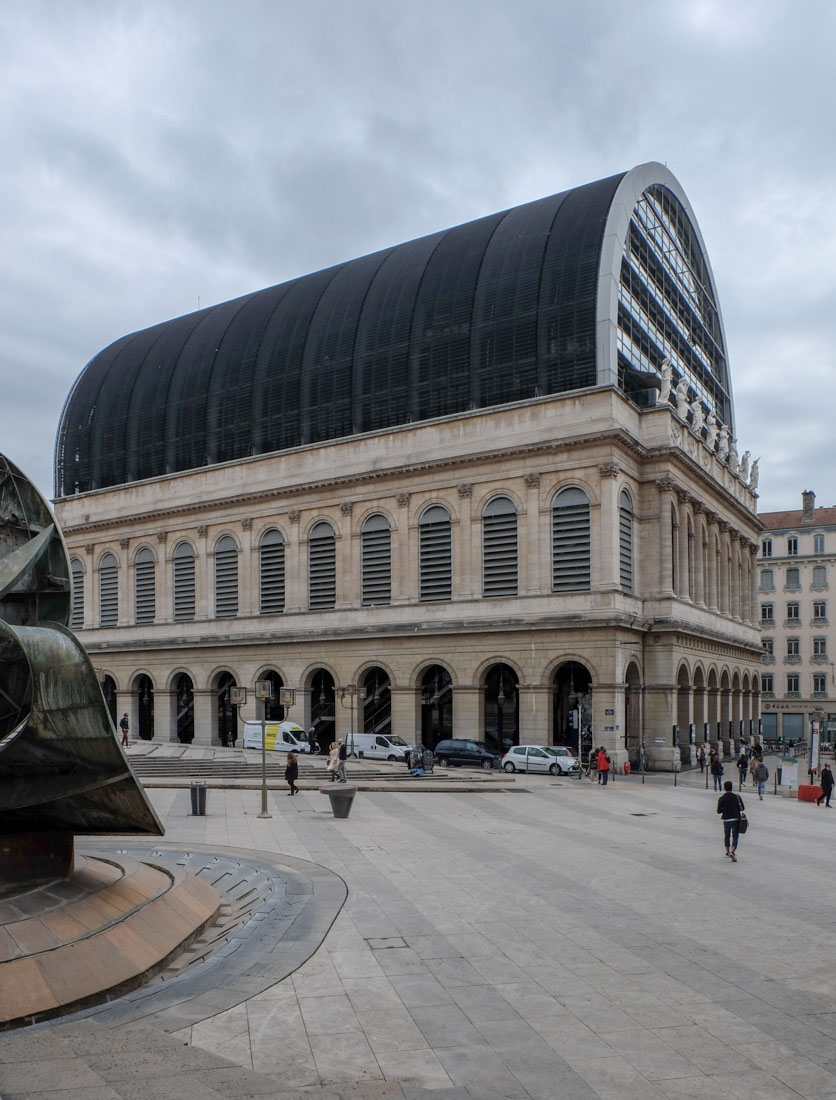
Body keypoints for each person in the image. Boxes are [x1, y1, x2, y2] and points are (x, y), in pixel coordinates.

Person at [717, 780, 744, 861]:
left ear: (724, 788)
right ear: (732, 788)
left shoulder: (722, 798)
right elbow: (742, 807)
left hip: (726, 819)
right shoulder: (736, 796)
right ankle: (733, 851)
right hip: (736, 818)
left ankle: (727, 851)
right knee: (735, 836)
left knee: (727, 835)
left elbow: (718, 811)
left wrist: (724, 809)